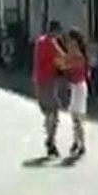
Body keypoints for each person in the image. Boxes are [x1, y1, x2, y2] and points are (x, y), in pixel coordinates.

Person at [33, 20, 66, 158]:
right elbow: (62, 58)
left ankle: (50, 139)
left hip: (38, 80)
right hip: (48, 81)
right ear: (55, 31)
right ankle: (50, 141)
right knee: (54, 112)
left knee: (48, 111)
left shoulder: (39, 42)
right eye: (59, 32)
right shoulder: (51, 43)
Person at [60, 28, 90, 157]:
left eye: (71, 41)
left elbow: (76, 71)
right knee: (74, 116)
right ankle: (76, 141)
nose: (68, 43)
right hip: (74, 87)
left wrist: (65, 66)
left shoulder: (78, 55)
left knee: (78, 117)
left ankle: (81, 144)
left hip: (79, 87)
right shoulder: (70, 54)